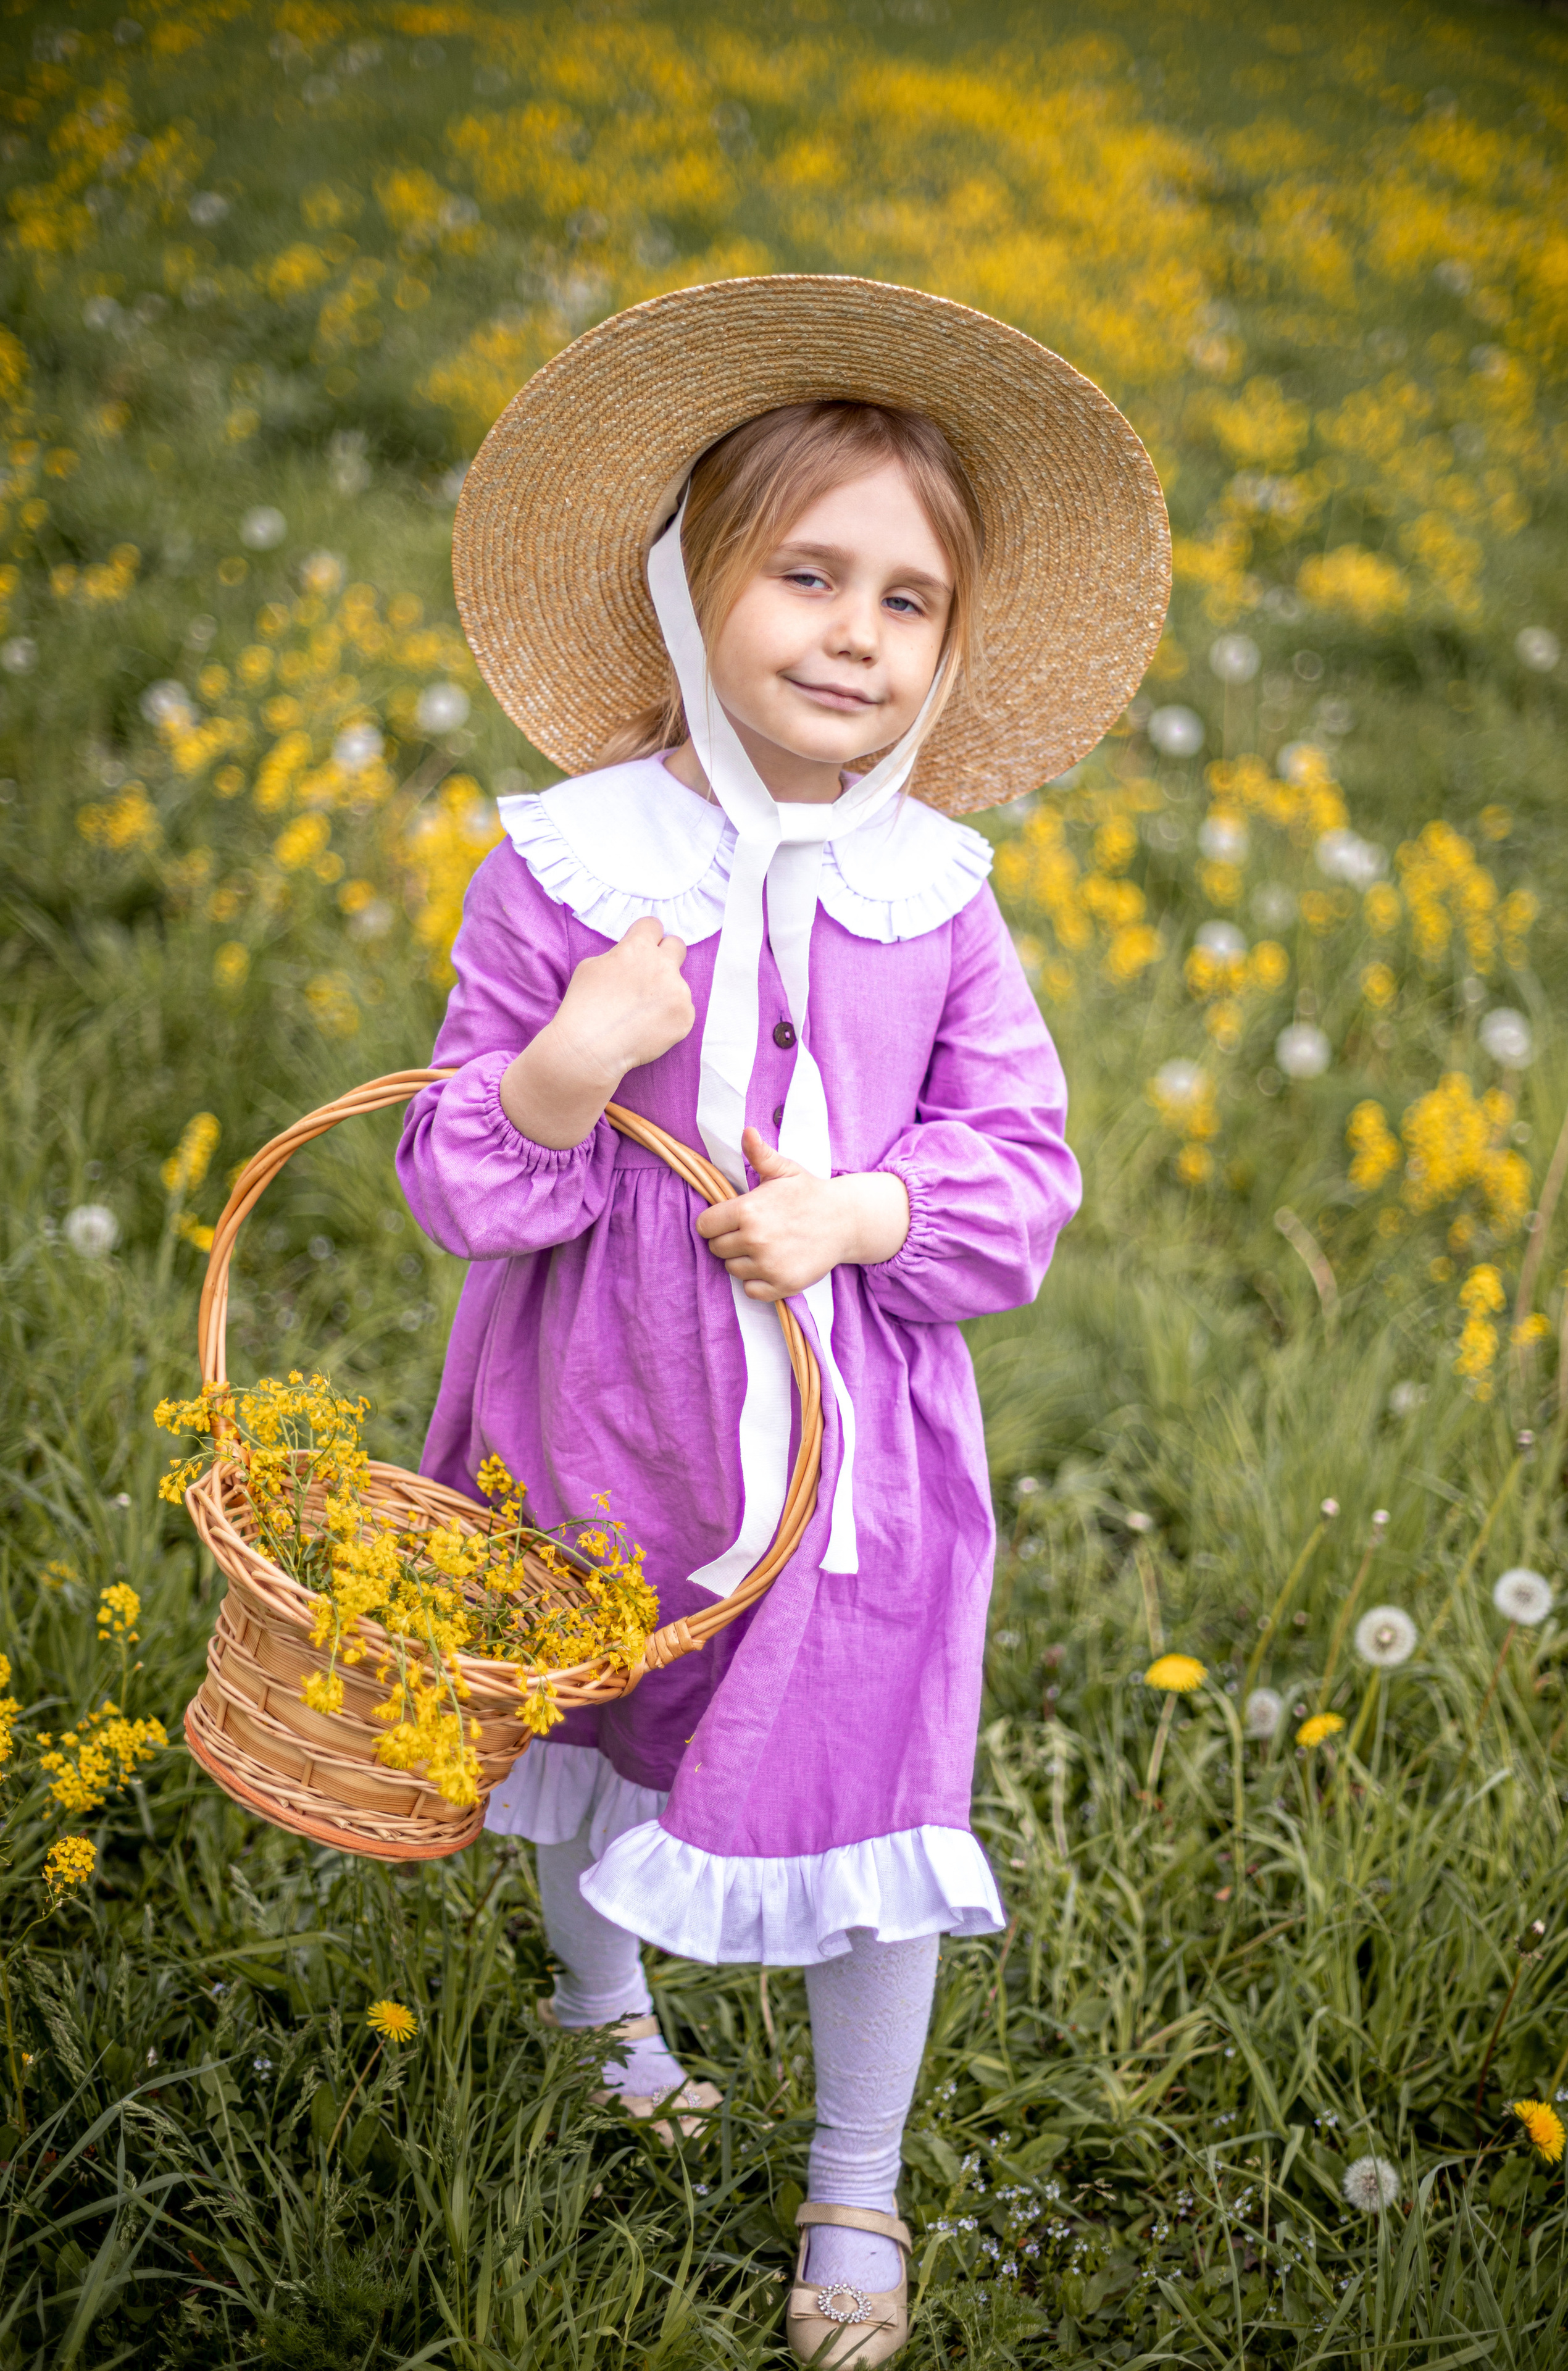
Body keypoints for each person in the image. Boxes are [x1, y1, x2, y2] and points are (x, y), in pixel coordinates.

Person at [398, 274, 1168, 2365]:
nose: (854, 631)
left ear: (951, 642)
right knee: (581, 1730)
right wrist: (572, 1064)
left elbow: (1022, 1171)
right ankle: (603, 2013)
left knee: (874, 1794)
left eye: (908, 600)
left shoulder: (940, 892)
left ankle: (855, 2186)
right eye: (804, 574)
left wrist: (863, 1206)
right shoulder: (564, 869)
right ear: (684, 592)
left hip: (860, 1458)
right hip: (594, 1421)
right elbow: (457, 1173)